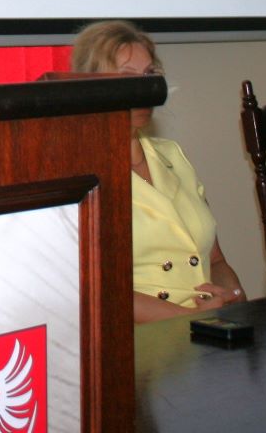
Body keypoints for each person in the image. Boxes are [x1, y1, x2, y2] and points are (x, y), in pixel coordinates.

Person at [71, 20, 247, 323]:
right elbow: (95, 292)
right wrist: (189, 319)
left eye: (149, 75)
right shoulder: (78, 173)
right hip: (138, 338)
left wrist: (234, 300)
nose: (145, 89)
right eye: (128, 77)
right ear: (90, 85)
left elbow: (215, 260)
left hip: (209, 328)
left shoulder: (172, 156)